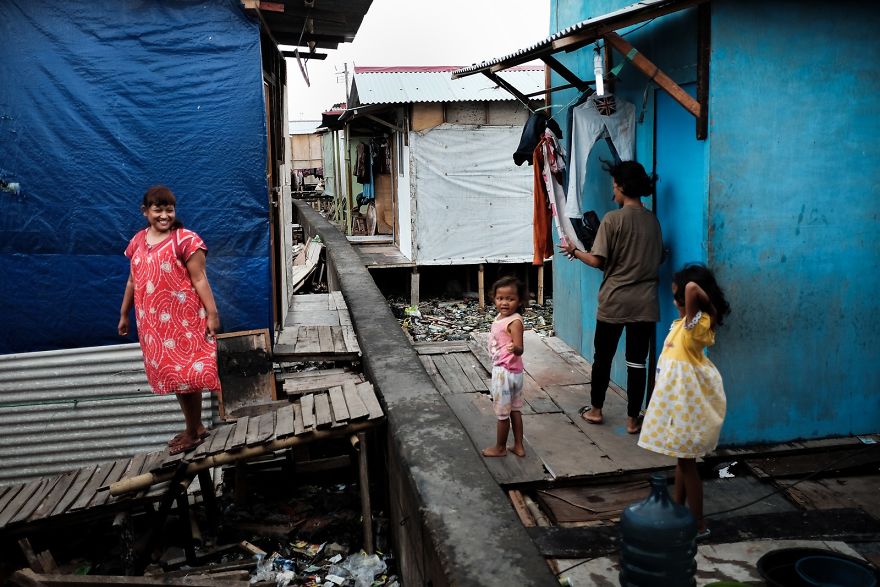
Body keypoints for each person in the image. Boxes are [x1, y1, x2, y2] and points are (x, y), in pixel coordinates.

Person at [558, 160, 663, 434]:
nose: (612, 192)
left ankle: (596, 410)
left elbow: (597, 261)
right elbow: (657, 257)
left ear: (623, 187)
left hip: (615, 301)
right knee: (637, 361)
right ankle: (632, 420)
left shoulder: (613, 220)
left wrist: (574, 250)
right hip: (645, 303)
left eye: (614, 187)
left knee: (603, 358)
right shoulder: (653, 220)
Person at [118, 185, 221, 455]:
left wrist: (212, 313)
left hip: (183, 320)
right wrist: (124, 313)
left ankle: (193, 430)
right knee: (177, 378)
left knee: (187, 375)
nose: (164, 215)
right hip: (153, 324)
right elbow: (133, 280)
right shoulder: (138, 242)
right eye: (158, 210)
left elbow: (200, 279)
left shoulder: (186, 240)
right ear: (145, 212)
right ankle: (195, 426)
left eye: (169, 210)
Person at [638, 263, 730, 537]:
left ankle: (699, 523)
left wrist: (698, 296)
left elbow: (691, 287)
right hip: (678, 403)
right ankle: (678, 509)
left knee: (688, 463)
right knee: (683, 459)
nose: (676, 300)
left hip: (687, 404)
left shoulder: (696, 323)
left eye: (677, 295)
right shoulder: (682, 324)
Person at [482, 276, 527, 458]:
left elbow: (520, 348)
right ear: (494, 298)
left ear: (520, 300)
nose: (505, 303)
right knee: (515, 409)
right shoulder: (503, 317)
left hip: (504, 373)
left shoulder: (514, 322)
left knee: (502, 413)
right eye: (500, 298)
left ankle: (500, 448)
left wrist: (514, 348)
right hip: (515, 372)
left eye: (510, 299)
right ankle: (518, 446)